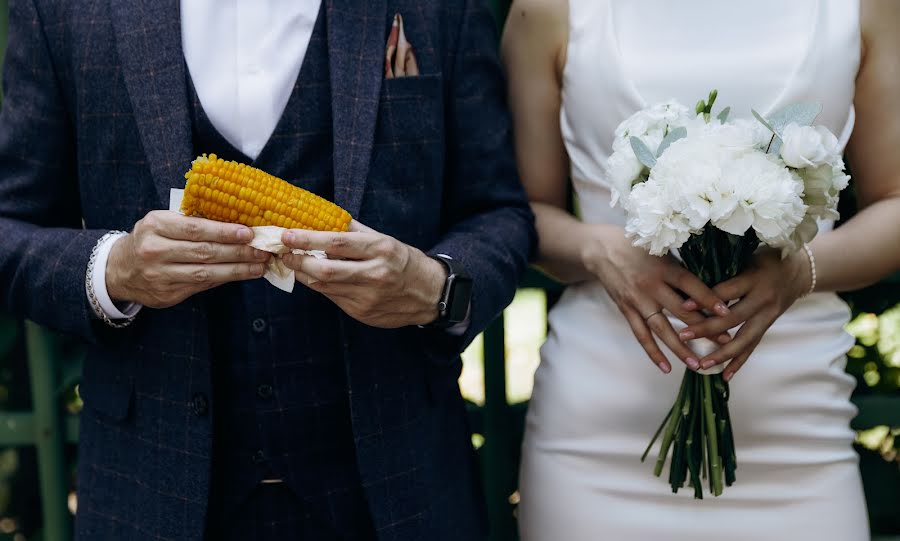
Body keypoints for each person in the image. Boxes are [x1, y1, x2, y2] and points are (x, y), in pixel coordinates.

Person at [0, 0, 536, 539]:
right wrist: (113, 270)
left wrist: (436, 289)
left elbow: (498, 211)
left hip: (396, 487)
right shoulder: (62, 9)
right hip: (151, 491)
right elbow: (10, 228)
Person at [504, 0, 900, 539]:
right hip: (596, 439)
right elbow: (519, 212)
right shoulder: (548, 10)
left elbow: (894, 202)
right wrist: (602, 250)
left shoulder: (864, 8)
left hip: (799, 433)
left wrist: (798, 271)